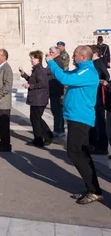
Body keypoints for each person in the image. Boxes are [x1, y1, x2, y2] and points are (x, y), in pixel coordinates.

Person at [47, 45, 103, 205]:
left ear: (83, 57)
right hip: (75, 117)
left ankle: (94, 190)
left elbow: (65, 79)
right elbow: (64, 75)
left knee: (74, 152)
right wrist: (54, 64)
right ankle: (92, 188)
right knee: (82, 154)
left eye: (75, 55)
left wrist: (51, 62)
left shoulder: (88, 72)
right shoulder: (80, 70)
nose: (73, 57)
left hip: (80, 118)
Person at [20, 50, 53, 147]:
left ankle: (39, 139)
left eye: (33, 58)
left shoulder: (40, 70)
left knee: (36, 119)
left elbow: (42, 84)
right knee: (36, 118)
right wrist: (24, 75)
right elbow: (33, 80)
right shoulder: (36, 69)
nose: (31, 60)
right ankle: (47, 136)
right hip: (36, 98)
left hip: (39, 98)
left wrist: (30, 85)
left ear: (38, 59)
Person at [89, 45, 108, 155]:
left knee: (100, 122)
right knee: (95, 121)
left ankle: (102, 146)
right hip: (94, 96)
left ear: (95, 53)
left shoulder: (98, 63)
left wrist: (100, 81)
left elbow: (106, 76)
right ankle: (95, 143)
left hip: (99, 96)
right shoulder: (94, 64)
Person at [47, 46, 66, 137]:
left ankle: (58, 129)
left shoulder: (57, 61)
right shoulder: (54, 61)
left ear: (57, 53)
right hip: (54, 88)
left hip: (56, 88)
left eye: (51, 52)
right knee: (56, 109)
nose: (50, 54)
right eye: (50, 52)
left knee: (57, 110)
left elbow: (51, 74)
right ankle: (59, 128)